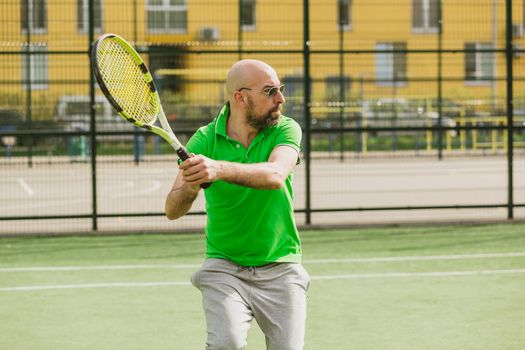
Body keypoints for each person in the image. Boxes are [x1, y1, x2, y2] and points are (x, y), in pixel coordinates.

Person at [165, 59, 309, 350]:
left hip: (281, 266)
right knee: (225, 344)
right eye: (270, 91)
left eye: (280, 89)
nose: (280, 98)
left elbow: (275, 175)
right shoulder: (204, 140)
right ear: (240, 97)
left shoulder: (286, 129)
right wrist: (192, 185)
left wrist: (218, 169)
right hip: (224, 268)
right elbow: (172, 209)